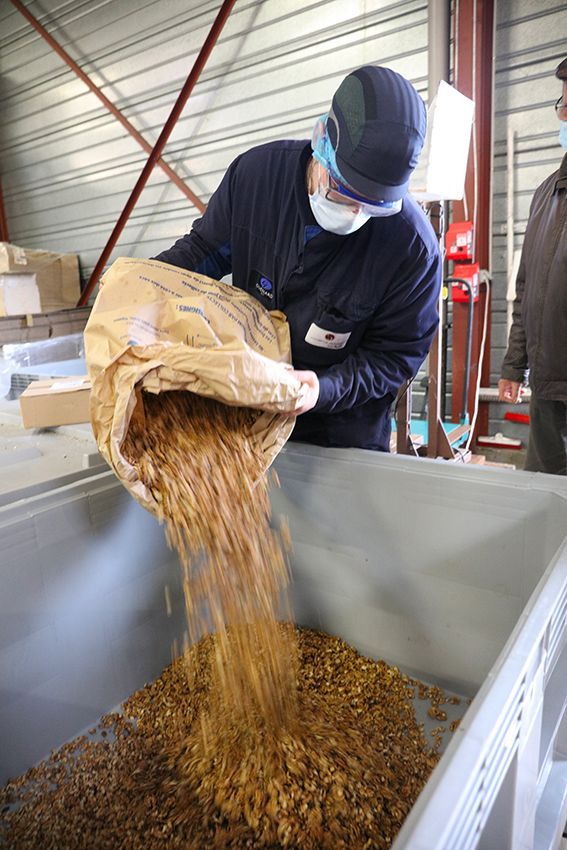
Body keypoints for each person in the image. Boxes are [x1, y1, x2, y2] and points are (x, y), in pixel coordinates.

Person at [155, 65, 441, 452]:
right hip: (249, 405)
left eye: (372, 206)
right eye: (344, 193)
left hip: (340, 431)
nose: (355, 213)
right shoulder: (256, 179)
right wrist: (143, 286)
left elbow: (393, 356)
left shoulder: (412, 249)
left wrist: (322, 389)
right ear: (323, 140)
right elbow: (203, 251)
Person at [499, 57, 567, 474]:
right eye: (564, 105)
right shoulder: (546, 195)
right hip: (548, 394)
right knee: (544, 507)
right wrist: (513, 365)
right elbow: (529, 290)